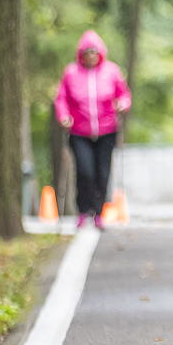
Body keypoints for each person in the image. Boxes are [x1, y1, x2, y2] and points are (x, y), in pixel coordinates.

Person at [55, 30, 132, 230]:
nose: (91, 56)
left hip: (107, 131)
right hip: (80, 132)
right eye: (87, 52)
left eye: (94, 52)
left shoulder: (112, 71)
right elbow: (62, 98)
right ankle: (83, 210)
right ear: (81, 54)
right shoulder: (71, 72)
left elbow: (124, 94)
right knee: (85, 171)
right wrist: (63, 116)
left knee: (102, 172)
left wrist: (123, 104)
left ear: (100, 53)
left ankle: (99, 212)